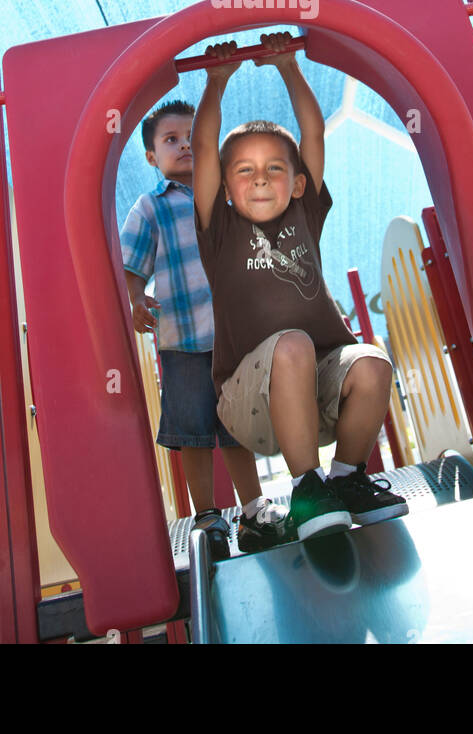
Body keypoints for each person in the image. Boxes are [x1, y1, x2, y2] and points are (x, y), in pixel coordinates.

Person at [192, 33, 408, 542]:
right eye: (244, 172)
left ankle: (348, 477)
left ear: (299, 184)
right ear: (225, 189)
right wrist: (216, 82)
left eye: (274, 170)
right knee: (292, 344)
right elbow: (204, 147)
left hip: (317, 393)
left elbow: (313, 135)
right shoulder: (219, 232)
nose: (261, 180)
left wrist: (290, 66)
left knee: (372, 362)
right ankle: (306, 486)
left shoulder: (304, 216)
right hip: (249, 402)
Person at [120, 99, 288, 557]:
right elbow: (132, 268)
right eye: (170, 140)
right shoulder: (150, 208)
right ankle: (208, 515)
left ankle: (253, 509)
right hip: (183, 341)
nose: (183, 146)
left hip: (234, 340)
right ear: (152, 157)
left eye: (191, 137)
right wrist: (135, 299)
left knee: (238, 426)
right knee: (192, 431)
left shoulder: (226, 196)